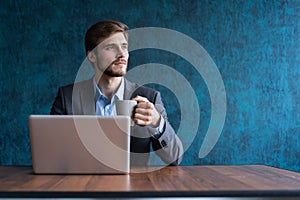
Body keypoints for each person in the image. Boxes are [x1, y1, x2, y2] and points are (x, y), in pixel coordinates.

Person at [50, 20, 183, 167]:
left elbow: (175, 158)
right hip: (83, 185)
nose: (121, 54)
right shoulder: (67, 97)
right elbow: (51, 152)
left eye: (124, 47)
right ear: (92, 56)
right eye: (110, 47)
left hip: (131, 187)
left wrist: (157, 123)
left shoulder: (150, 98)